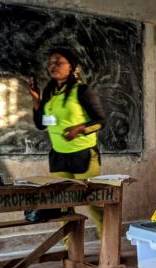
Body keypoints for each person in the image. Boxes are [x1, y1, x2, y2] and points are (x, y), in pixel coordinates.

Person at [27, 47, 107, 236]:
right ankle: (72, 253)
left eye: (58, 62)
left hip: (84, 155)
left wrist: (80, 129)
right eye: (50, 63)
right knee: (62, 206)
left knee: (93, 203)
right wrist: (36, 100)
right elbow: (40, 124)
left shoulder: (82, 90)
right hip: (59, 156)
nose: (52, 66)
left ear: (71, 67)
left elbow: (101, 122)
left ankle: (109, 250)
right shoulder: (49, 92)